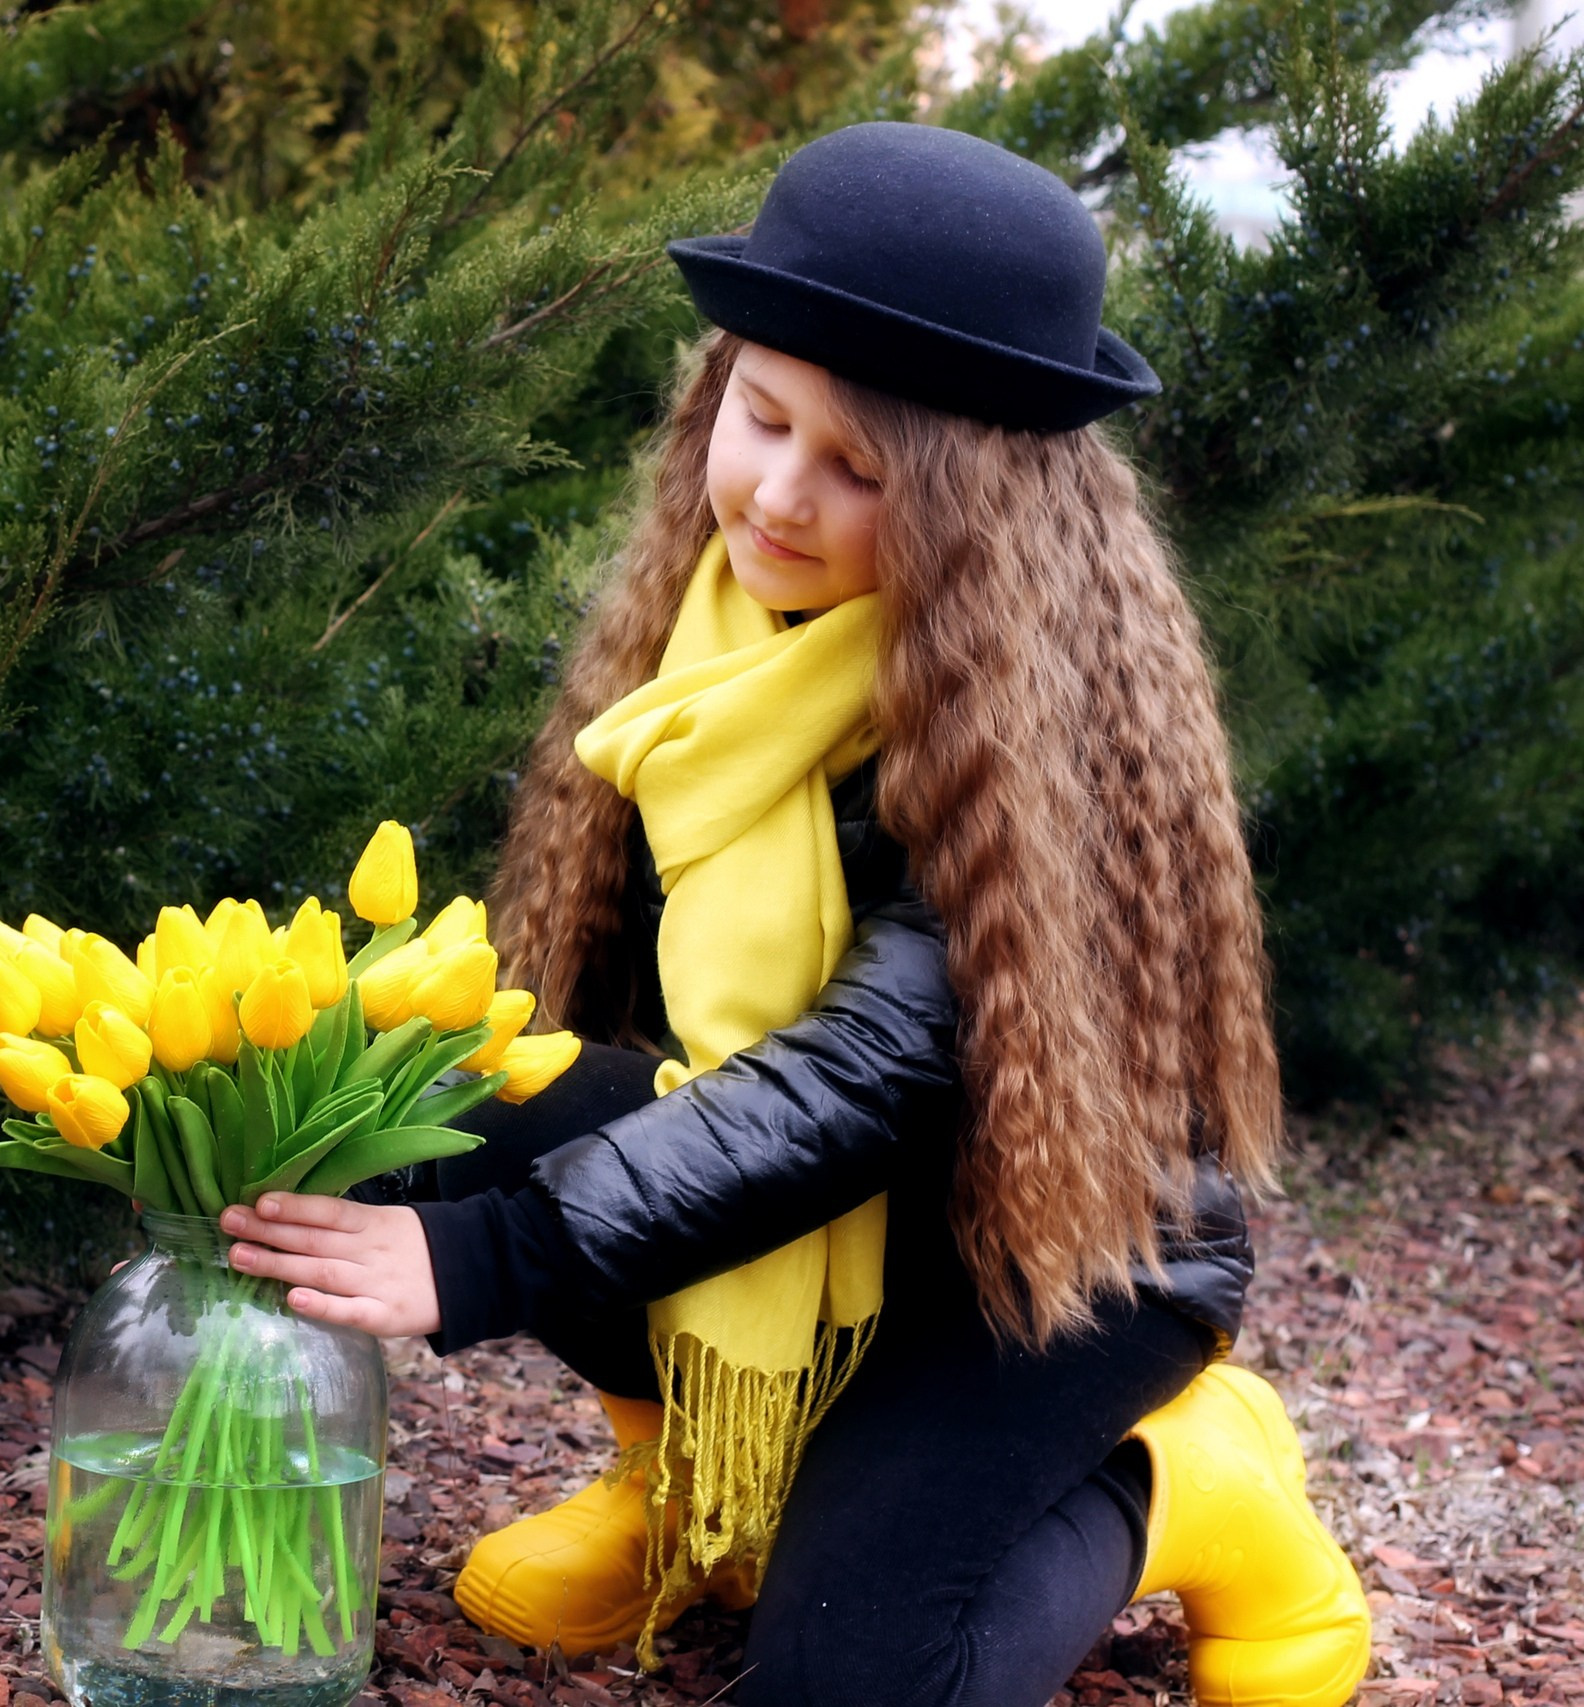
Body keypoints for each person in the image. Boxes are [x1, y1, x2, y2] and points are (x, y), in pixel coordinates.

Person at [211, 123, 1374, 1707]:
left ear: (983, 516)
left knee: (844, 1682)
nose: (778, 496)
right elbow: (644, 1034)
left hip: (1037, 1258)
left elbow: (859, 1083)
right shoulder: (715, 637)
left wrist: (491, 1258)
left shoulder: (1042, 737)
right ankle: (705, 1487)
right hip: (803, 1209)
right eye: (760, 418)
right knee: (436, 1083)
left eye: (860, 471)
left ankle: (1187, 1487)